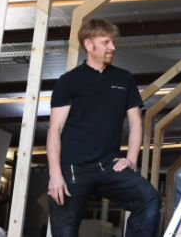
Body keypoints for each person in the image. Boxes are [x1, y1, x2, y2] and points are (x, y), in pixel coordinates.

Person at [46, 19, 161, 237]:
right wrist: (55, 175)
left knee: (149, 199)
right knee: (64, 233)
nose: (113, 47)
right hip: (72, 169)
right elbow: (55, 130)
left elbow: (136, 122)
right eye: (106, 42)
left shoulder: (124, 79)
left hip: (108, 166)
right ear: (89, 45)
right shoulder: (69, 81)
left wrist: (131, 159)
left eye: (113, 42)